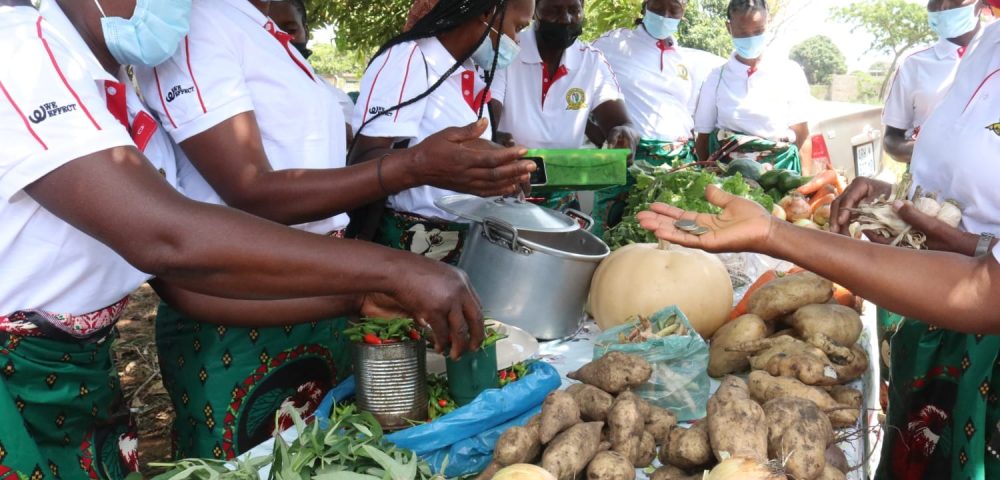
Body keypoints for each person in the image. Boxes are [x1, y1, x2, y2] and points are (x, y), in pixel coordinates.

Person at [0, 0, 512, 475]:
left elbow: (183, 282)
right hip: (19, 381)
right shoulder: (18, 47)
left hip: (79, 377)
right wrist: (393, 267)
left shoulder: (112, 93)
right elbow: (164, 237)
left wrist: (357, 296)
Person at [129, 0, 534, 459]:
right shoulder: (200, 22)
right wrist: (413, 169)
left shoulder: (263, 31)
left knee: (327, 455)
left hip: (317, 295)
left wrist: (356, 284)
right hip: (242, 308)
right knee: (254, 462)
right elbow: (250, 188)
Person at [637, 12, 1000, 477]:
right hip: (925, 331)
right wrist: (900, 203)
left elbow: (986, 289)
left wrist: (775, 234)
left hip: (983, 367)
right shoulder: (987, 43)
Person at [349, 0, 535, 265]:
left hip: (461, 245)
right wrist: (428, 164)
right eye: (518, 27)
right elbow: (362, 161)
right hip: (405, 247)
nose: (516, 41)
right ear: (486, 12)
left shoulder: (470, 70)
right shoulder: (409, 58)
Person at [490, 0, 639, 215]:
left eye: (574, 10)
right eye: (554, 10)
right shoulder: (509, 49)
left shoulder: (592, 61)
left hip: (562, 193)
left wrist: (626, 132)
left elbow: (621, 123)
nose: (566, 19)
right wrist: (493, 136)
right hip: (509, 187)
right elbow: (488, 118)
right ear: (535, 11)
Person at [591, 0, 724, 237]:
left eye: (673, 9)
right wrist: (599, 138)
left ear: (683, 12)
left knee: (666, 239)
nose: (665, 15)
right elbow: (583, 89)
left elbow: (687, 112)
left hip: (677, 163)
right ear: (645, 6)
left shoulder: (681, 58)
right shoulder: (613, 44)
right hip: (628, 159)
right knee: (614, 234)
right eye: (658, 7)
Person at [693, 0, 812, 174]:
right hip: (728, 178)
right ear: (729, 27)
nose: (750, 39)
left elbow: (803, 136)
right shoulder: (716, 78)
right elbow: (702, 139)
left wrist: (806, 184)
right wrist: (706, 175)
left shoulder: (789, 72)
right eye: (742, 32)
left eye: (758, 31)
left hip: (779, 177)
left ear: (767, 22)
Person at [883, 0, 988, 164]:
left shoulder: (994, 58)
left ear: (982, 3)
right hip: (927, 178)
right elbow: (892, 139)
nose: (943, 5)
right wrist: (927, 151)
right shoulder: (913, 64)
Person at [251, 0, 357, 141]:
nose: (281, 37)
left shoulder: (338, 101)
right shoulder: (242, 91)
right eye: (269, 30)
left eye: (290, 30)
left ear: (306, 32)